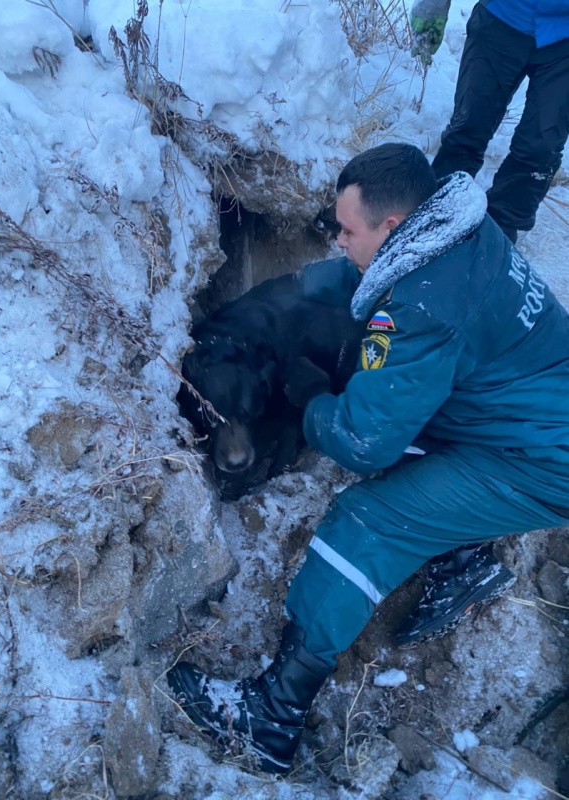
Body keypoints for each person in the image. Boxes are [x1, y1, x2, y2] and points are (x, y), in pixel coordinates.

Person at [167, 143, 569, 775]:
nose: (338, 242)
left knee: (367, 519)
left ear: (392, 226)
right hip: (528, 405)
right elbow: (362, 285)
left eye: (347, 231)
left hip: (538, 458)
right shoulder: (454, 230)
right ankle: (463, 554)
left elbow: (363, 441)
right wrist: (277, 306)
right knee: (402, 417)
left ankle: (271, 717)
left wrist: (307, 402)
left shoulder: (424, 308)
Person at [410, 0, 569, 243]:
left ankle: (498, 233)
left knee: (540, 147)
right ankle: (436, 215)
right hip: (501, 18)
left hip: (563, 40)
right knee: (469, 126)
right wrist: (432, 5)